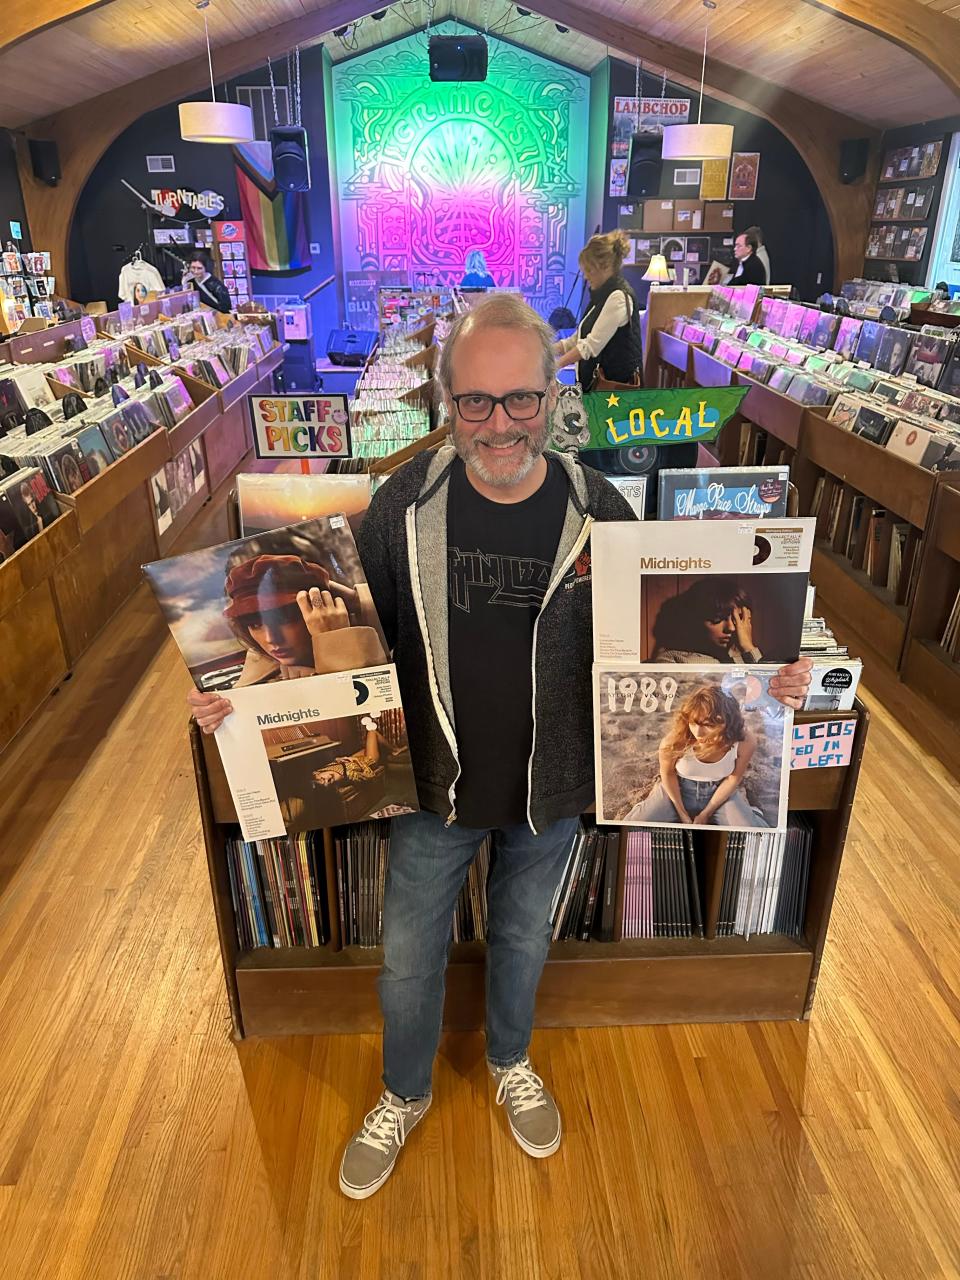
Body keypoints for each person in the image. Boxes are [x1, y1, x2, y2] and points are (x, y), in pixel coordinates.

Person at [186, 293, 812, 1199]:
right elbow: (362, 647)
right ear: (447, 404)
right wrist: (238, 699)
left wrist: (767, 683)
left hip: (549, 794)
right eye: (475, 402)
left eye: (522, 399)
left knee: (521, 940)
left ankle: (511, 1058)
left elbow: (659, 664)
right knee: (408, 959)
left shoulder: (603, 510)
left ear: (558, 396)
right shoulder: (402, 505)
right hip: (436, 791)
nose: (500, 424)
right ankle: (404, 1092)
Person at [223, 554, 386, 687]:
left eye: (283, 619)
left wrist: (336, 638)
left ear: (322, 607)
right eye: (255, 624)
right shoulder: (259, 665)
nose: (271, 638)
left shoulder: (370, 633)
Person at [625, 683, 765, 827]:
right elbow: (668, 774)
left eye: (708, 725)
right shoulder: (675, 740)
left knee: (749, 828)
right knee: (634, 824)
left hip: (721, 794)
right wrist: (682, 814)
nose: (698, 733)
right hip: (677, 792)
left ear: (727, 722)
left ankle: (751, 810)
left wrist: (706, 814)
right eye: (693, 723)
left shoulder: (744, 742)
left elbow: (733, 779)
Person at [555, 230, 642, 389]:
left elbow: (590, 346)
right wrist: (547, 352)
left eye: (589, 270)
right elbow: (578, 338)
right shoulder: (602, 295)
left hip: (612, 387)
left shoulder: (618, 298)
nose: (586, 276)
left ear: (605, 267)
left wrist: (556, 365)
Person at [652, 577, 763, 664]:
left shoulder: (744, 657)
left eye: (737, 619)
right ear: (696, 619)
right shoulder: (673, 660)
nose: (731, 628)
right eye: (717, 619)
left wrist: (748, 648)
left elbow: (767, 690)